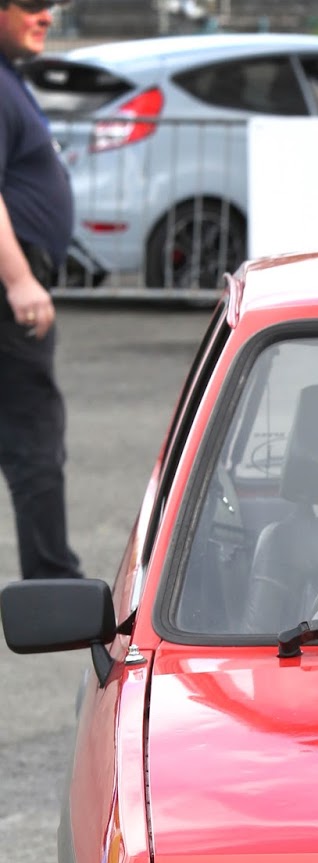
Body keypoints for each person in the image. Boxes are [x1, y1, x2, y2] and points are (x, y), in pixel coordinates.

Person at [0, 0, 82, 580]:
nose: (46, 15)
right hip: (9, 287)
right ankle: (54, 584)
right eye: (31, 3)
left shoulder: (9, 79)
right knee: (34, 437)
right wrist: (19, 278)